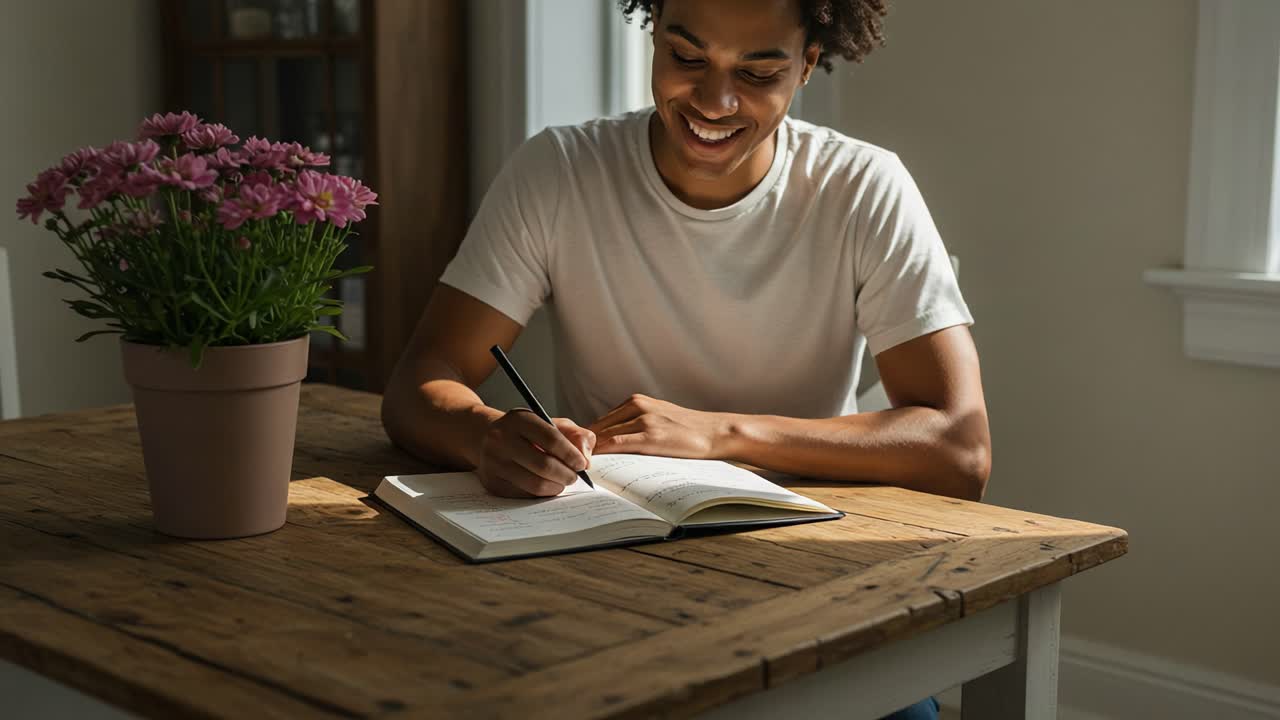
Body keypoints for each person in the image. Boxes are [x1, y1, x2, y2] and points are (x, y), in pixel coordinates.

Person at [383, 2, 989, 716]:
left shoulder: (861, 188)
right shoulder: (561, 170)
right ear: (654, 36)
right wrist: (485, 435)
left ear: (807, 67)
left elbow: (960, 447)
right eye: (687, 58)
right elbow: (420, 385)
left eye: (758, 72)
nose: (713, 101)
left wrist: (718, 435)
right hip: (609, 572)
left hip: (810, 573)